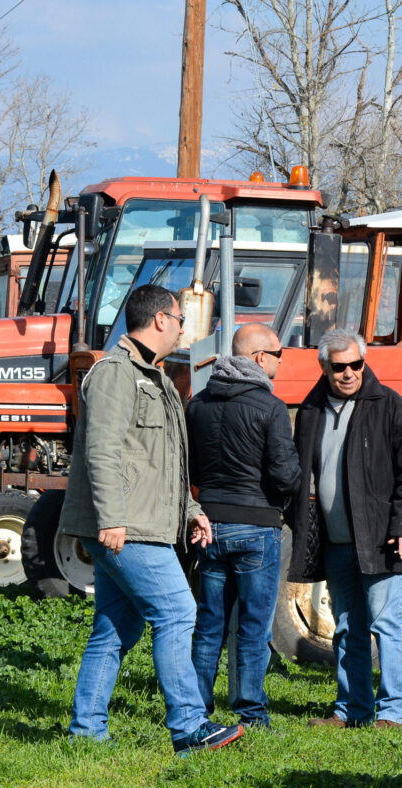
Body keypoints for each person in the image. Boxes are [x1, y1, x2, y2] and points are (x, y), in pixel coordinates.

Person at [58, 284, 243, 755]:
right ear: (160, 319)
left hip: (143, 523)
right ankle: (189, 728)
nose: (184, 328)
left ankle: (86, 732)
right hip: (127, 528)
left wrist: (192, 511)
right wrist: (113, 518)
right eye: (180, 319)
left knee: (116, 628)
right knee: (178, 612)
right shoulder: (115, 374)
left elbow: (160, 463)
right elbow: (101, 451)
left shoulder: (154, 376)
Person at [288, 328, 402, 729]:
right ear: (324, 369)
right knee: (348, 628)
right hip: (335, 543)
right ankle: (352, 709)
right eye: (339, 367)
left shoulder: (389, 406)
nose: (349, 373)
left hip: (383, 540)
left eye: (356, 364)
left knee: (386, 624)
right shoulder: (311, 411)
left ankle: (395, 712)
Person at [186, 322, 301, 730]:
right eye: (277, 354)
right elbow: (286, 476)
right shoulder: (270, 407)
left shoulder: (197, 404)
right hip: (256, 527)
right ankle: (251, 714)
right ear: (257, 358)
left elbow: (192, 468)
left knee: (208, 624)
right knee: (253, 626)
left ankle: (196, 710)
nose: (280, 362)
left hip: (210, 527)